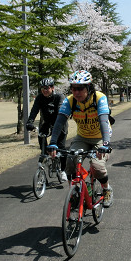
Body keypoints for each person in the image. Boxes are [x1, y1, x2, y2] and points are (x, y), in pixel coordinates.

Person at [47, 70, 114, 207]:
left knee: (97, 167)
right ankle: (75, 191)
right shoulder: (70, 101)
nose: (76, 92)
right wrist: (53, 143)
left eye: (80, 88)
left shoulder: (99, 98)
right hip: (82, 137)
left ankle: (107, 189)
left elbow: (103, 122)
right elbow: (59, 122)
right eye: (73, 88)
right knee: (70, 161)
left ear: (88, 88)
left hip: (100, 138)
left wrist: (106, 143)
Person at [26, 77, 68, 181]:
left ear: (52, 88)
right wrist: (30, 121)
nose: (44, 90)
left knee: (61, 148)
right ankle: (47, 160)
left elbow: (60, 110)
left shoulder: (59, 96)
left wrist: (57, 125)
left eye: (47, 88)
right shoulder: (40, 98)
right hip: (46, 124)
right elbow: (34, 110)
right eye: (42, 88)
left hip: (59, 123)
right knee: (43, 146)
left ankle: (63, 170)